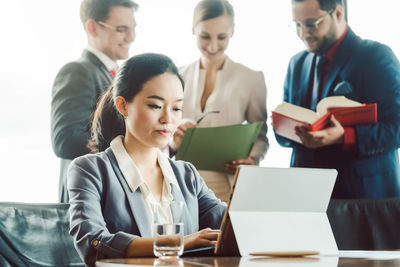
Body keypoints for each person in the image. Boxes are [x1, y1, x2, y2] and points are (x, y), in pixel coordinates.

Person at [67, 53, 226, 266]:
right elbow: (92, 242)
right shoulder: (90, 170)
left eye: (177, 108)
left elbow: (229, 221)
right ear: (123, 106)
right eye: (155, 106)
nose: (168, 119)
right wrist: (177, 242)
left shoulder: (186, 175)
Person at [274, 0, 400, 198]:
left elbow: (396, 127)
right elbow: (282, 132)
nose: (303, 33)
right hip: (305, 195)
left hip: (361, 199)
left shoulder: (375, 56)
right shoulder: (296, 64)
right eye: (297, 25)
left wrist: (344, 136)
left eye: (311, 23)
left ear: (338, 13)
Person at [172, 0, 269, 202]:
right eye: (205, 36)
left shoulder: (251, 78)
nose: (213, 45)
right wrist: (174, 138)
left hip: (227, 185)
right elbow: (164, 136)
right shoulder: (178, 76)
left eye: (222, 37)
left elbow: (260, 136)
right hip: (182, 183)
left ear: (233, 31)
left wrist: (252, 159)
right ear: (193, 29)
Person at [51, 0, 138, 203]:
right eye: (122, 29)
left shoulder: (116, 76)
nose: (131, 37)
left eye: (133, 29)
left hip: (105, 195)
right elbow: (65, 140)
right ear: (92, 27)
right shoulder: (77, 71)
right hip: (86, 197)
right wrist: (132, 145)